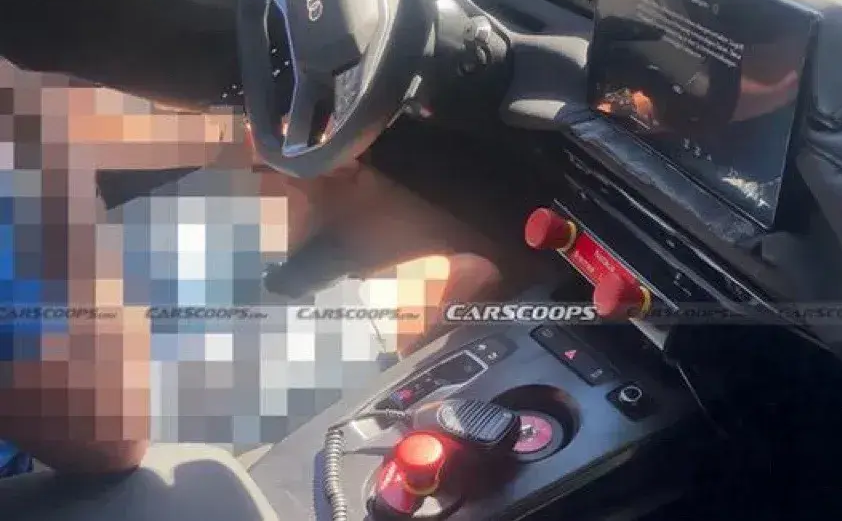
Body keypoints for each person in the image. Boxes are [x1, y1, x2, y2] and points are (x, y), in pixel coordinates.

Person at [0, 57, 502, 476]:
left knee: (286, 178)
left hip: (54, 285)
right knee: (455, 279)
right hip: (56, 452)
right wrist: (61, 200)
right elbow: (107, 442)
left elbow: (23, 107)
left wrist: (233, 140)